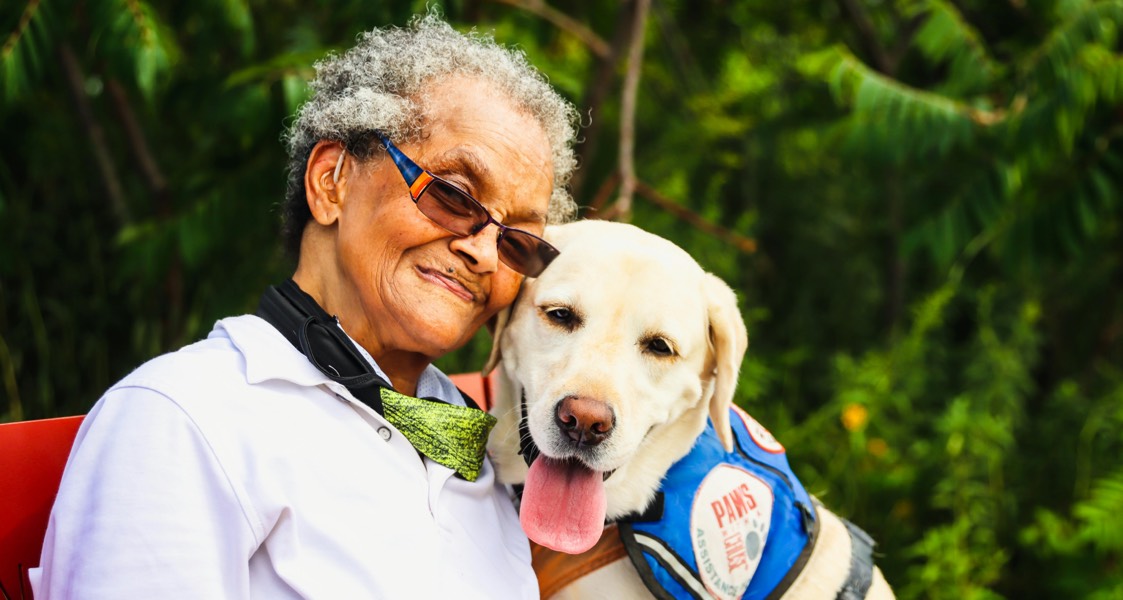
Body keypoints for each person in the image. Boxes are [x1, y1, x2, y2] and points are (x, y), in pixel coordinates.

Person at [31, 13, 578, 599]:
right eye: (453, 194)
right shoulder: (186, 417)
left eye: (517, 239)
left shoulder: (481, 446)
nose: (485, 255)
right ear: (331, 181)